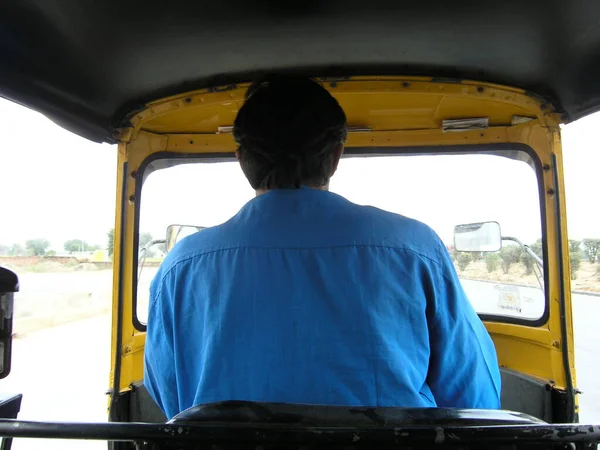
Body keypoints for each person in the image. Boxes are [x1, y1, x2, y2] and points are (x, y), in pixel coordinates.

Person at [144, 75, 501, 419]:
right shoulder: (414, 249)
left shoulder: (182, 266)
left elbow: (172, 398)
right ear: (335, 157)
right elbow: (474, 397)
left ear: (243, 161)